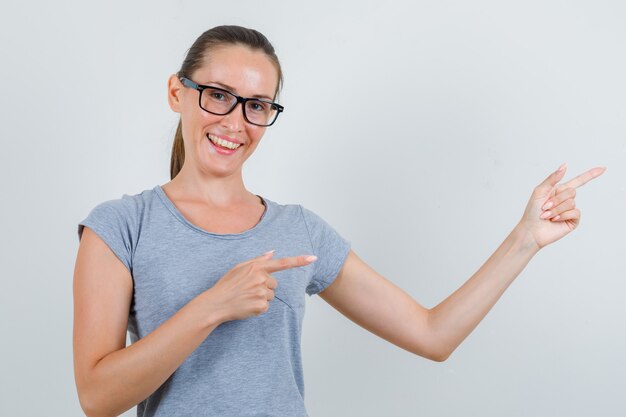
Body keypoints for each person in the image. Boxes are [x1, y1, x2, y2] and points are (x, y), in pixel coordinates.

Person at [73, 25, 605, 417]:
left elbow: (432, 334)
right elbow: (97, 397)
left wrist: (525, 240)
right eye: (219, 95)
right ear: (177, 93)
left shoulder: (299, 230)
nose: (235, 121)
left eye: (257, 105)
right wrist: (212, 307)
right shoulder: (121, 226)